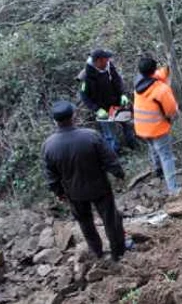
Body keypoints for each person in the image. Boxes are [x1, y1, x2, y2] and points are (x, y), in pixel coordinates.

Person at [42, 101, 126, 262]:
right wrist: (119, 174)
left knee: (85, 224)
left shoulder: (49, 146)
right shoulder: (91, 136)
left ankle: (97, 253)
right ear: (74, 116)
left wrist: (59, 192)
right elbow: (110, 159)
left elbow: (51, 175)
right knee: (110, 219)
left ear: (55, 121)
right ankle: (118, 252)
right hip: (99, 187)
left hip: (74, 192)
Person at [133, 57, 180, 194]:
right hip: (157, 128)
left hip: (141, 127)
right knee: (167, 156)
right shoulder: (161, 89)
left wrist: (168, 67)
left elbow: (159, 74)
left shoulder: (139, 82)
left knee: (154, 149)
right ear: (154, 69)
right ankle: (173, 189)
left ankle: (158, 170)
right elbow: (171, 110)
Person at [78, 49, 137, 153]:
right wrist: (96, 109)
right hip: (102, 109)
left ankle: (134, 147)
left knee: (127, 125)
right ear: (98, 61)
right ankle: (115, 155)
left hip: (117, 103)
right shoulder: (87, 75)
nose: (108, 61)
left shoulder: (109, 67)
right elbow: (84, 96)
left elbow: (117, 80)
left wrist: (122, 94)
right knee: (110, 135)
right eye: (106, 60)